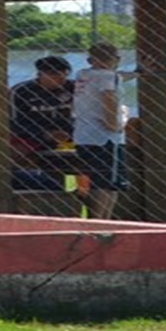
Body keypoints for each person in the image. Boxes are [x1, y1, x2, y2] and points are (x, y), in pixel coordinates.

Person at [72, 42, 131, 219]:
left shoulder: (83, 74)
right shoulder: (108, 77)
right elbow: (109, 98)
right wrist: (116, 124)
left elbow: (114, 77)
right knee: (107, 184)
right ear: (118, 59)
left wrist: (137, 73)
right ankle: (100, 220)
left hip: (84, 135)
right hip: (106, 138)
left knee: (96, 179)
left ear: (90, 59)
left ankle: (99, 220)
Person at [10, 55, 74, 159]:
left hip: (67, 134)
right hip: (32, 135)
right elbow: (13, 122)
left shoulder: (74, 88)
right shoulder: (22, 91)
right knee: (16, 150)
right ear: (40, 74)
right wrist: (44, 134)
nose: (60, 78)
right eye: (54, 74)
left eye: (64, 73)